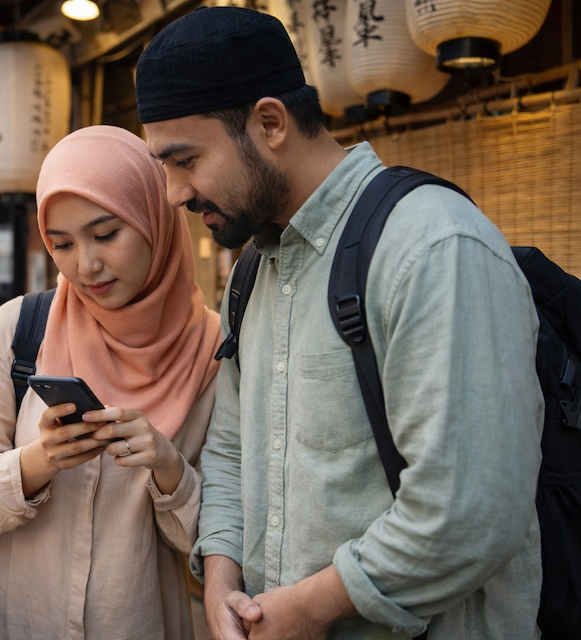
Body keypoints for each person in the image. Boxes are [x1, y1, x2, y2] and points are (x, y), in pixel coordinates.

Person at [134, 8, 544, 640]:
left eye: (184, 160)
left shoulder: (433, 247)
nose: (173, 194)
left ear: (270, 122)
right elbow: (231, 449)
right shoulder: (253, 271)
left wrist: (307, 609)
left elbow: (468, 512)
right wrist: (221, 579)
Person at [0, 125, 222, 639]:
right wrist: (39, 462)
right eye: (61, 244)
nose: (85, 265)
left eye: (106, 233)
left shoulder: (212, 348)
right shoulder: (18, 329)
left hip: (134, 621)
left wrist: (167, 467)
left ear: (153, 217)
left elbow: (217, 536)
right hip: (11, 619)